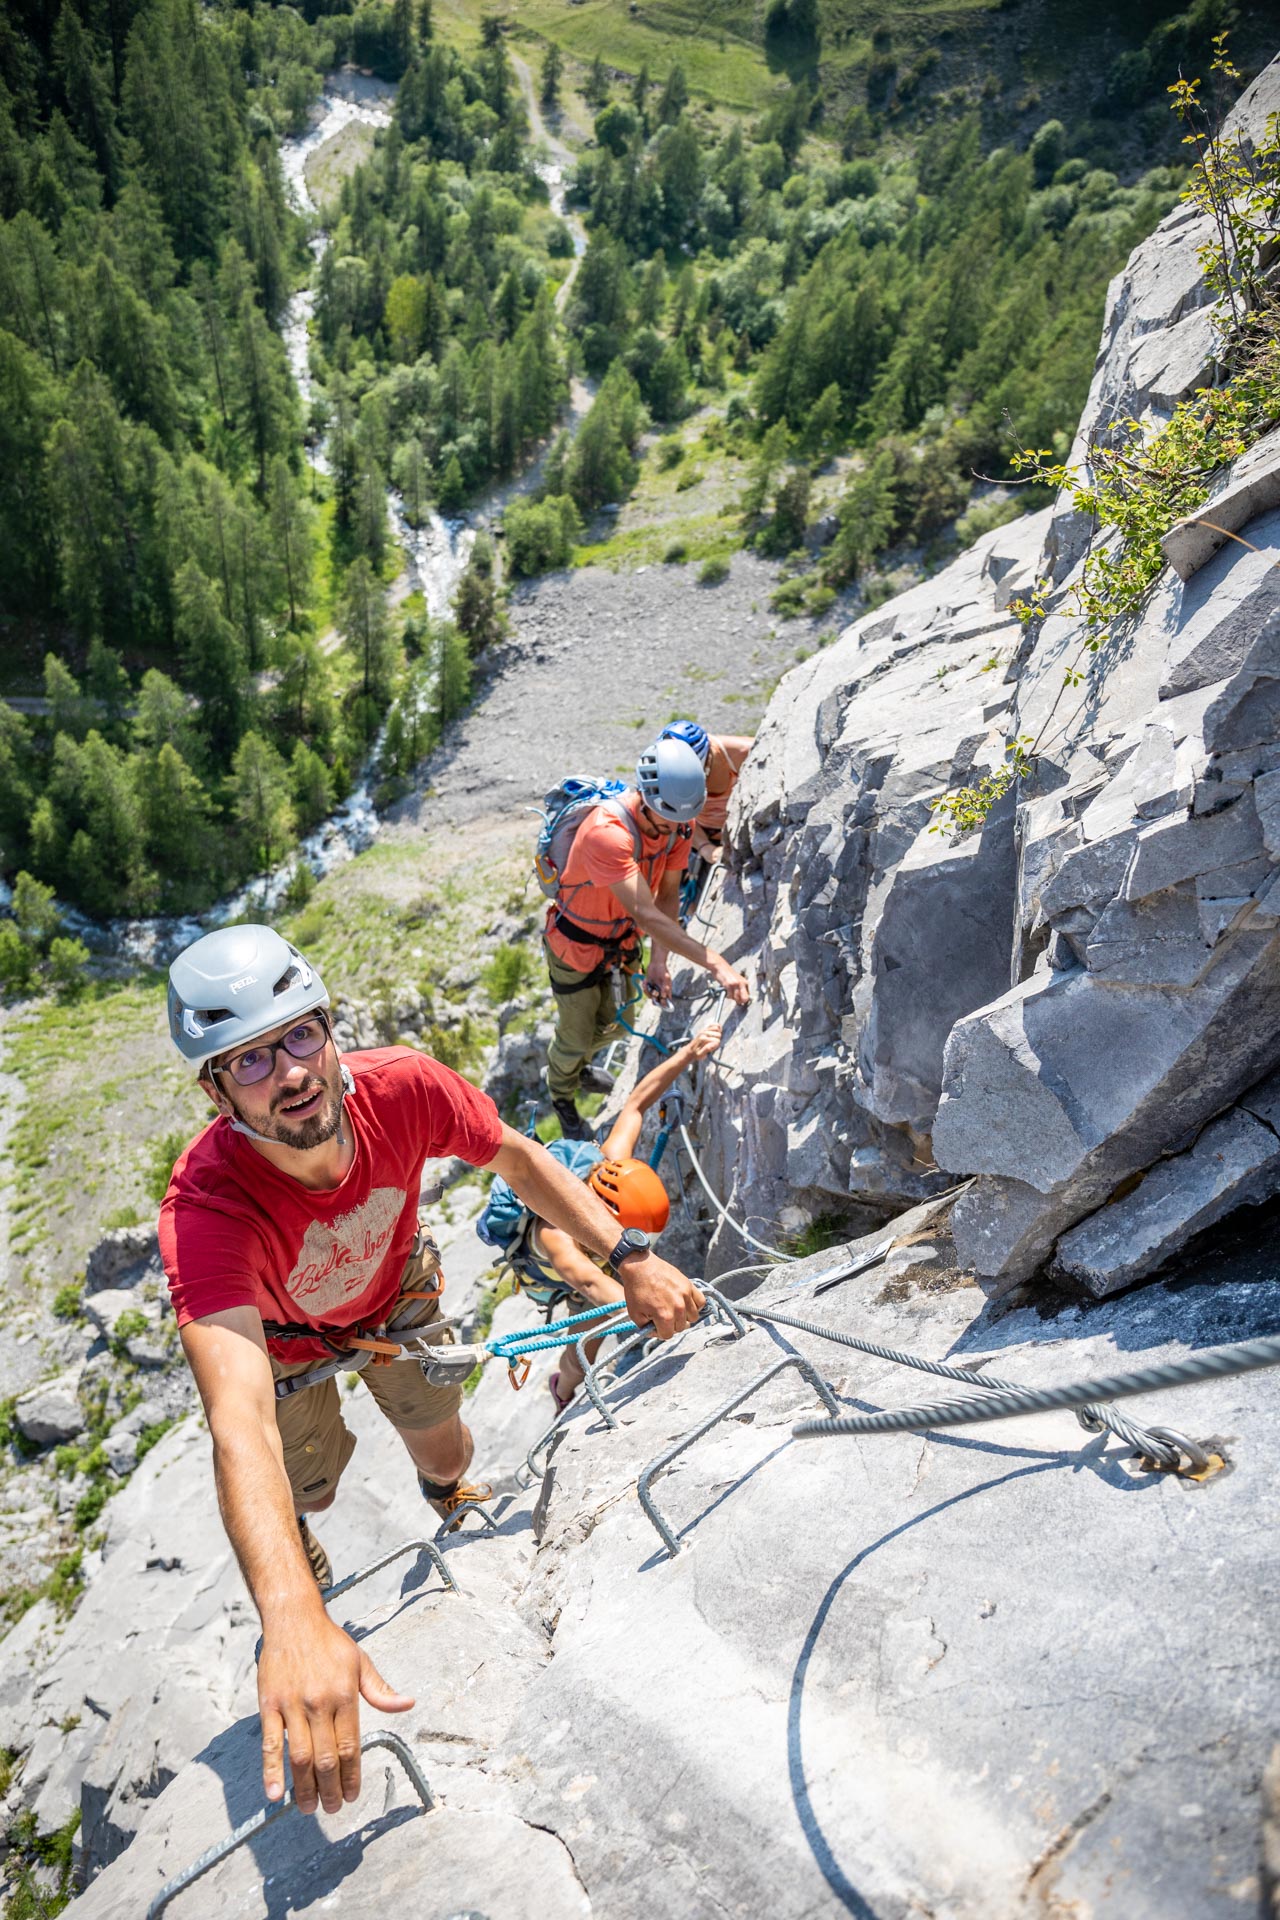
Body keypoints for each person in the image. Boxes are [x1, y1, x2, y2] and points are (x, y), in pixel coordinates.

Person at [159, 924, 704, 1822]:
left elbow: (520, 1160)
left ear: (329, 1028)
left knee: (449, 1454)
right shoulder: (205, 1209)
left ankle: (441, 1496)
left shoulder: (405, 1088)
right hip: (286, 1351)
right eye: (249, 1061)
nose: (289, 1071)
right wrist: (291, 1615)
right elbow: (238, 1420)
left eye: (299, 1034)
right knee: (312, 1494)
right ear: (215, 1090)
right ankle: (299, 1534)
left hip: (393, 1302)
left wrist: (629, 1256)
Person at [499, 1022, 723, 1410]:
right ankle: (562, 1392)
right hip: (573, 1283)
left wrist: (687, 1054)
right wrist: (657, 1304)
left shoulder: (611, 1162)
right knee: (582, 1352)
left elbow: (637, 1102)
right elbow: (586, 1280)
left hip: (610, 1264)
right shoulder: (556, 1233)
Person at [543, 735, 750, 1141]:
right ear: (648, 801)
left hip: (621, 945)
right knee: (575, 1035)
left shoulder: (678, 824)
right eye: (668, 820)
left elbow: (668, 897)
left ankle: (574, 1063)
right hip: (575, 946)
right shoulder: (607, 833)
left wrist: (659, 963)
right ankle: (562, 1094)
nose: (677, 830)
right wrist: (717, 963)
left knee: (619, 1026)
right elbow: (645, 912)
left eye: (682, 822)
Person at [660, 720, 755, 860]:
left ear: (707, 760)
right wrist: (705, 847)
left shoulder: (743, 755)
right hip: (703, 837)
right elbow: (673, 813)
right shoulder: (664, 771)